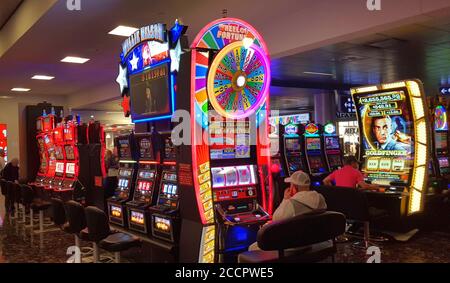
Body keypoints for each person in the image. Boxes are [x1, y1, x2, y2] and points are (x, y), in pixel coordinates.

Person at [249, 170, 327, 250]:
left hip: (291, 247)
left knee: (251, 248)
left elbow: (276, 220)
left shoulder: (292, 204)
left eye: (290, 185)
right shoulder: (320, 199)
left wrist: (285, 200)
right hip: (313, 242)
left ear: (294, 188)